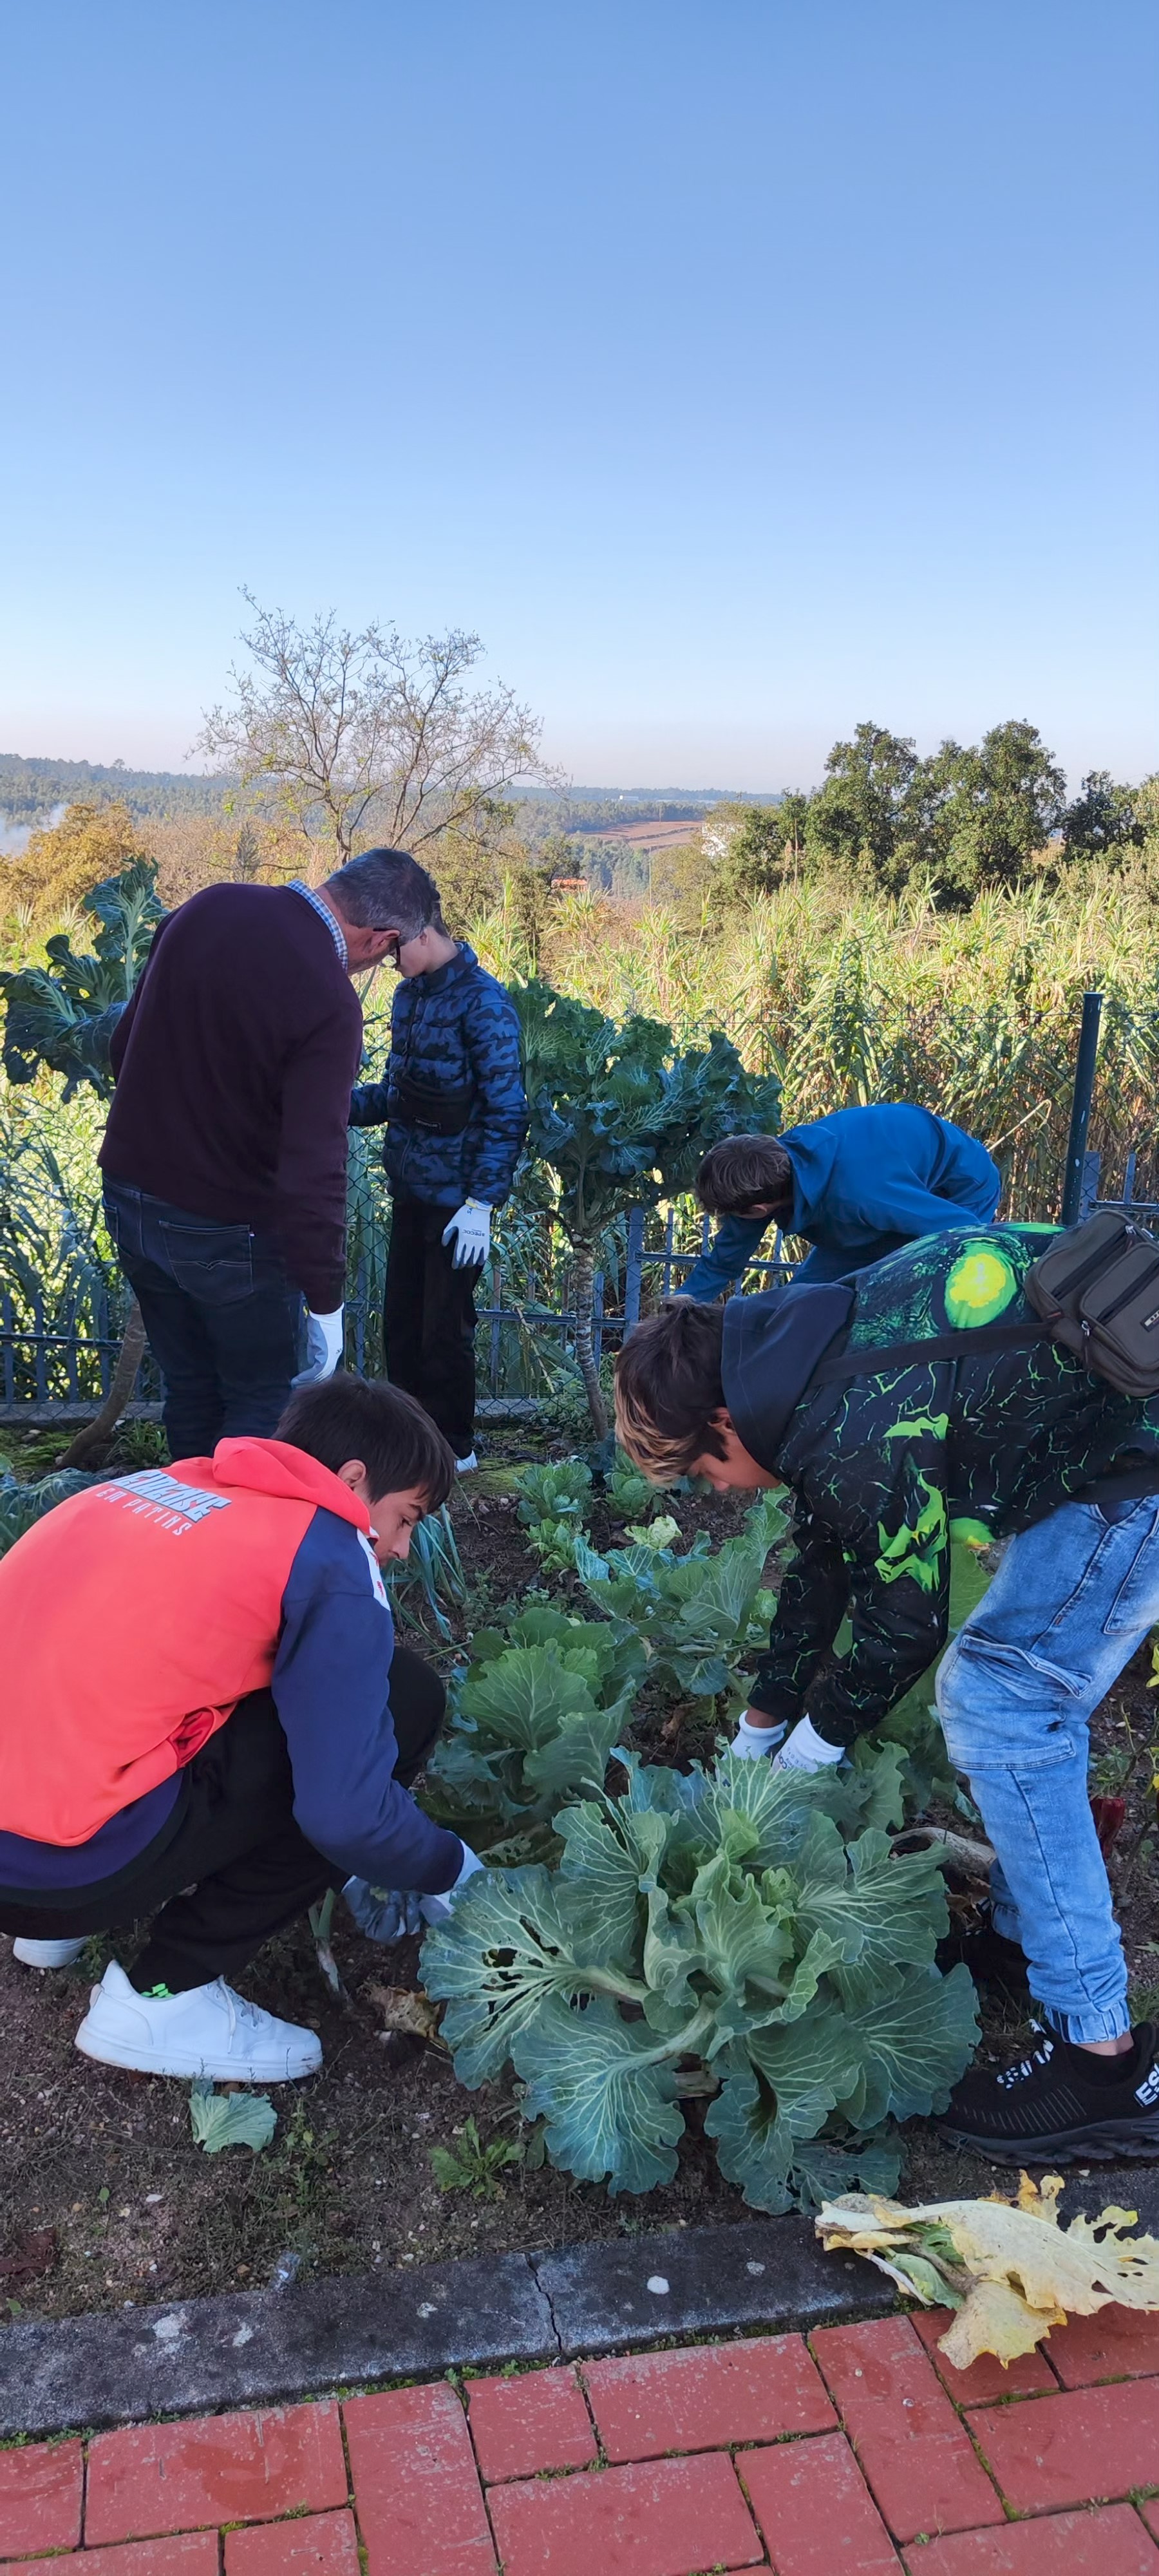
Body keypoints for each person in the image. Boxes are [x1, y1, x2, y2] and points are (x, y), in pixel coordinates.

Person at [614, 1226, 1159, 2163]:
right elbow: (827, 1556)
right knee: (1013, 1697)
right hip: (1111, 1438)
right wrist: (758, 1730)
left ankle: (1101, 2061)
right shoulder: (802, 1356)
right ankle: (1032, 1941)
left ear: (725, 1423)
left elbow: (905, 1622)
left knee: (1001, 1701)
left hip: (1140, 1463)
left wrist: (809, 1756)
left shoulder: (848, 1420)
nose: (722, 1490)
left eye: (705, 1470)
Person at [0, 1375, 481, 2083]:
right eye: (406, 1517)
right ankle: (166, 1991)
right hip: (72, 1867)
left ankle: (55, 1935)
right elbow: (346, 1815)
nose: (402, 1548)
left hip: (26, 1847)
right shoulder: (328, 1549)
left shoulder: (157, 1486)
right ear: (353, 1480)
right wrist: (452, 1870)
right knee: (403, 1698)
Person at [99, 848, 441, 1459]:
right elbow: (314, 1167)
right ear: (380, 939)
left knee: (190, 1387)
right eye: (390, 956)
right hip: (226, 1228)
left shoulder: (209, 904)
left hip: (129, 1193)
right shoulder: (330, 1001)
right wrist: (326, 1301)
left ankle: (189, 1535)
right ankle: (243, 1550)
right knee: (261, 1399)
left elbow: (123, 1048)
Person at [349, 903, 528, 1471]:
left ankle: (454, 1449)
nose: (387, 959)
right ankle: (407, 1445)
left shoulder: (485, 1003)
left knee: (444, 1332)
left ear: (423, 935)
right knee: (400, 1325)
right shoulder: (409, 998)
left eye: (393, 948)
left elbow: (507, 1111)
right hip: (410, 1188)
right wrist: (331, 1107)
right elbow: (397, 1094)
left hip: (459, 1203)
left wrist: (482, 1203)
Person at [677, 1104, 999, 1298]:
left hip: (955, 1194)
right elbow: (725, 1259)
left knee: (892, 1301)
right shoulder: (770, 1170)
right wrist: (681, 1305)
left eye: (732, 1216)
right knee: (798, 1301)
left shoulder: (860, 1194)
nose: (732, 1223)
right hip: (883, 1198)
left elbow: (962, 1231)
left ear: (759, 1210)